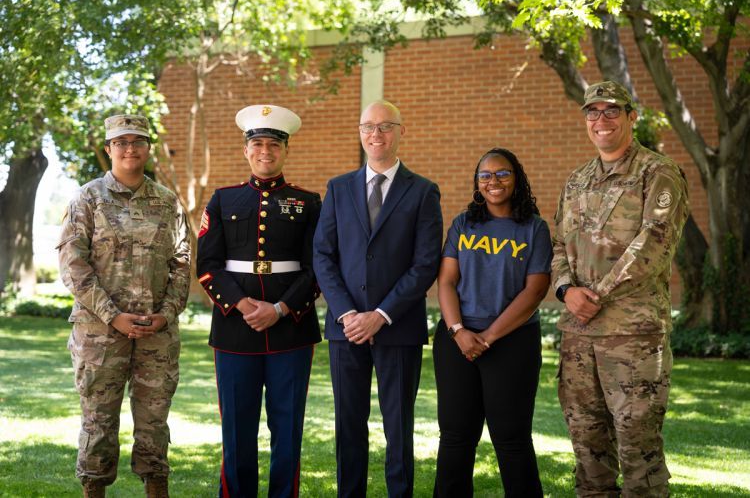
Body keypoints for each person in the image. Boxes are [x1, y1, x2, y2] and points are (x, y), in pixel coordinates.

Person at [552, 81, 689, 497]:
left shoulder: (657, 173)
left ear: (633, 116)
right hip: (578, 336)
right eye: (592, 112)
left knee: (637, 448)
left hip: (634, 337)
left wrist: (596, 295)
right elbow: (558, 245)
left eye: (612, 111)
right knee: (587, 448)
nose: (601, 120)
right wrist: (565, 291)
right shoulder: (577, 182)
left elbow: (654, 246)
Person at [313, 100, 443, 498]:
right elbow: (323, 254)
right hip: (345, 329)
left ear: (401, 131)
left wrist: (381, 314)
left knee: (398, 427)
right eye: (368, 126)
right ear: (360, 133)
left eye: (385, 126)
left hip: (398, 327)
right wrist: (349, 313)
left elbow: (425, 265)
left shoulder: (422, 191)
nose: (376, 134)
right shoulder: (337, 189)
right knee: (348, 425)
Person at [57, 114, 191, 498]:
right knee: (98, 423)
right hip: (99, 335)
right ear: (108, 149)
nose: (129, 148)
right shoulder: (87, 198)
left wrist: (166, 313)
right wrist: (113, 317)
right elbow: (73, 265)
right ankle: (94, 490)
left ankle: (156, 489)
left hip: (156, 334)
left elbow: (181, 261)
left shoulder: (167, 203)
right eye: (121, 142)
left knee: (154, 422)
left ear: (148, 148)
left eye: (137, 141)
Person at [196, 104, 322, 497]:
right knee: (236, 430)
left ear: (286, 151)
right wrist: (242, 304)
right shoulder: (222, 199)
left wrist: (281, 308)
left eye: (273, 144)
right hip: (235, 331)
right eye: (258, 144)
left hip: (291, 331)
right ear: (246, 150)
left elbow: (318, 267)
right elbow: (207, 265)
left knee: (288, 432)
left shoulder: (308, 201)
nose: (265, 151)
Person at [434, 148, 550, 497]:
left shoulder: (534, 228)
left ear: (517, 178)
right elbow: (446, 282)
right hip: (457, 339)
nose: (493, 181)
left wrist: (487, 336)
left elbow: (535, 290)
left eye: (502, 174)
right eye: (485, 175)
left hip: (512, 342)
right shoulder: (463, 223)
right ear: (477, 182)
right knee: (455, 436)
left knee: (511, 437)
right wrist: (458, 331)